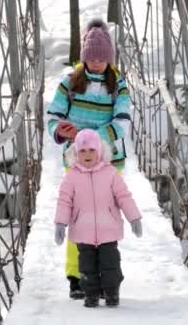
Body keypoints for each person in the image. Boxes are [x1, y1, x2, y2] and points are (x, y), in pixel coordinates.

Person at [46, 18, 132, 299]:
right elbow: (53, 117)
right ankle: (77, 276)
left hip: (109, 163)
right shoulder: (70, 83)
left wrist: (95, 140)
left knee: (105, 220)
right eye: (91, 58)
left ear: (109, 59)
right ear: (84, 58)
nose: (96, 63)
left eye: (101, 59)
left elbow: (122, 121)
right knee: (79, 219)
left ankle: (106, 278)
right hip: (76, 163)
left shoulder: (118, 86)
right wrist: (61, 130)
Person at [54, 129, 142, 307]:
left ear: (100, 152)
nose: (87, 155)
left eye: (92, 150)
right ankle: (91, 294)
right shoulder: (71, 177)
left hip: (108, 230)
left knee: (111, 265)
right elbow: (64, 201)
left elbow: (124, 197)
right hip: (83, 232)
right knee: (87, 267)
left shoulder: (111, 174)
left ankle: (111, 292)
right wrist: (60, 224)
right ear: (76, 154)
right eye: (82, 151)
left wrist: (134, 218)